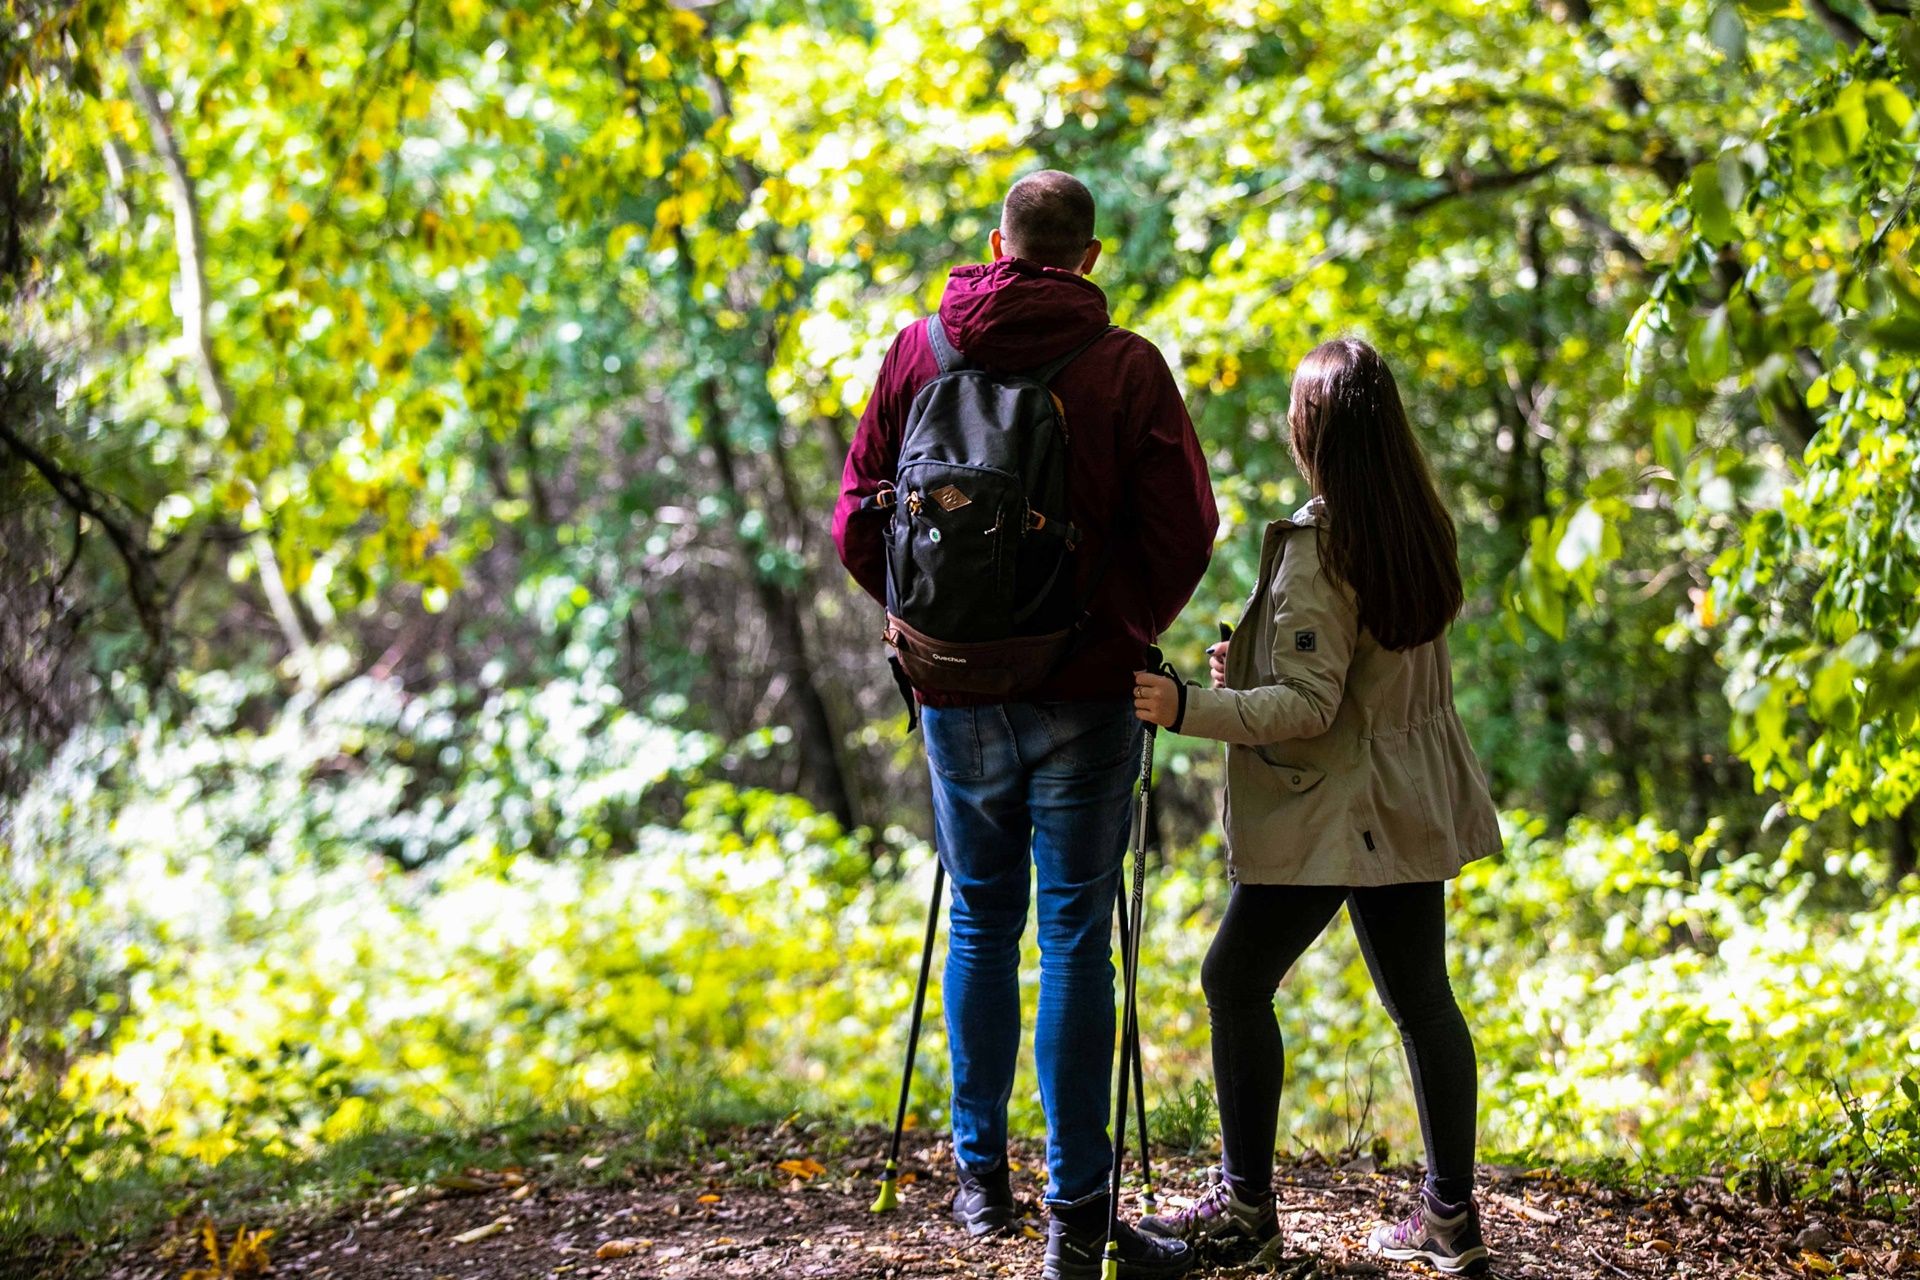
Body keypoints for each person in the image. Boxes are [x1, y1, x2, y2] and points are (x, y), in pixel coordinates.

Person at [833, 170, 1218, 1280]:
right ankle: (1079, 1214)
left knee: (979, 923)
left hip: (956, 693)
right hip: (1088, 690)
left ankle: (977, 1180)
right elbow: (1186, 524)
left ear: (997, 243)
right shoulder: (1125, 365)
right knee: (1072, 939)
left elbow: (858, 511)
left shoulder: (918, 350)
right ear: (1089, 256)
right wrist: (1119, 626)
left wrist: (924, 632)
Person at [1129, 336, 1502, 1276]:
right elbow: (1363, 671)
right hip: (1408, 793)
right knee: (1424, 1004)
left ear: (1315, 430)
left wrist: (1186, 707)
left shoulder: (1324, 544)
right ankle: (1450, 1219)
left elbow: (1308, 709)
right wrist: (1245, 666)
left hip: (1341, 811)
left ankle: (1246, 1208)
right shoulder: (1417, 523)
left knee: (1233, 979)